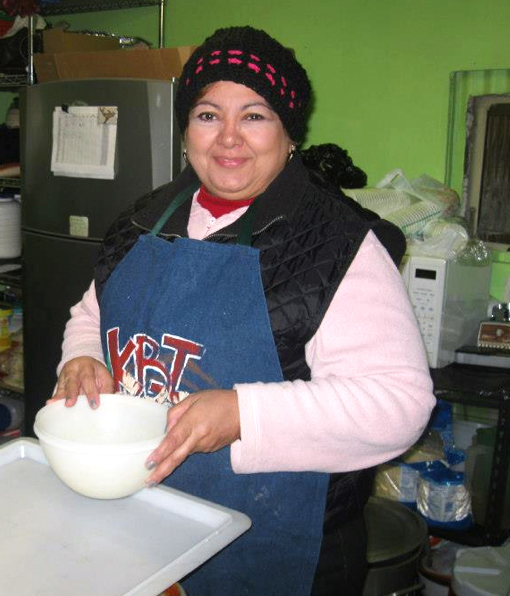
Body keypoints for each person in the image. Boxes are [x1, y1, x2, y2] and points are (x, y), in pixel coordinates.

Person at [51, 26, 435, 596]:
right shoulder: (144, 219)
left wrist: (241, 415)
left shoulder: (338, 243)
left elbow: (400, 405)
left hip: (279, 548)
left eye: (254, 116)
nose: (229, 139)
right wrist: (82, 358)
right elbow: (92, 313)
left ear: (289, 135)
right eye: (208, 115)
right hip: (145, 527)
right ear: (186, 131)